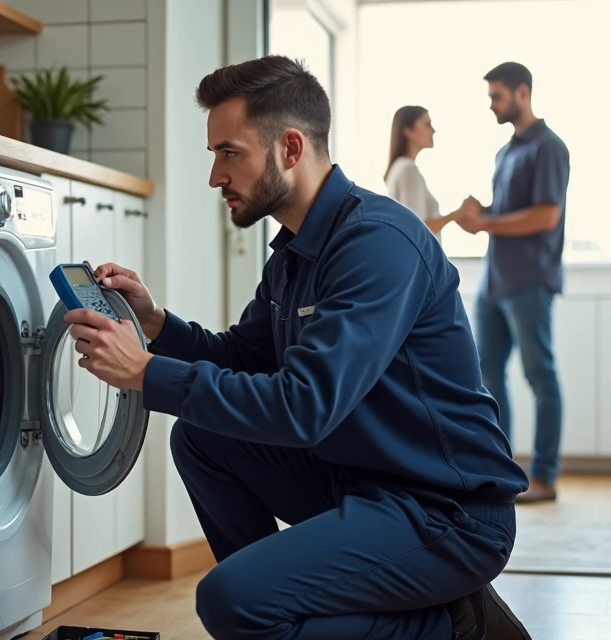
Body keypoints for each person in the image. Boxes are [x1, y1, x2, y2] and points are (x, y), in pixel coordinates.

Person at [63, 55, 531, 640]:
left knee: (231, 600)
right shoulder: (296, 250)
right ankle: (298, 601)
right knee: (203, 436)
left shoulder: (378, 243)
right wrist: (156, 324)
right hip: (359, 480)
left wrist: (146, 372)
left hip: (445, 510)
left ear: (289, 148)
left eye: (228, 153)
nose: (214, 176)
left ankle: (453, 627)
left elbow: (303, 406)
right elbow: (244, 356)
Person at [454, 61, 571, 504]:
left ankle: (544, 476)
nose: (491, 105)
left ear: (522, 92)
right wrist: (479, 212)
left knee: (540, 376)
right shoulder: (506, 151)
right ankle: (500, 473)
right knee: (486, 377)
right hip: (495, 281)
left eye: (496, 96)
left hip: (530, 280)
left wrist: (486, 223)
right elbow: (505, 212)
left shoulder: (549, 147)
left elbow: (545, 215)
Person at [383, 105, 461, 242]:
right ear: (408, 131)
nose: (433, 130)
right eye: (427, 124)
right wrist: (455, 215)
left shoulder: (399, 167)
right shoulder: (408, 169)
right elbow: (416, 228)